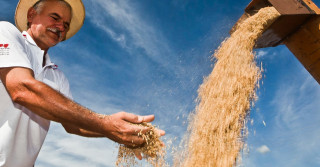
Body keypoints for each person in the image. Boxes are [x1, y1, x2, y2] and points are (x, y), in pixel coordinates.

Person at [0, 0, 165, 166]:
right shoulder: (5, 32)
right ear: (31, 15)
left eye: (66, 24)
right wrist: (107, 125)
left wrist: (119, 130)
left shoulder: (57, 76)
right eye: (55, 17)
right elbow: (22, 89)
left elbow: (73, 125)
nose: (61, 27)